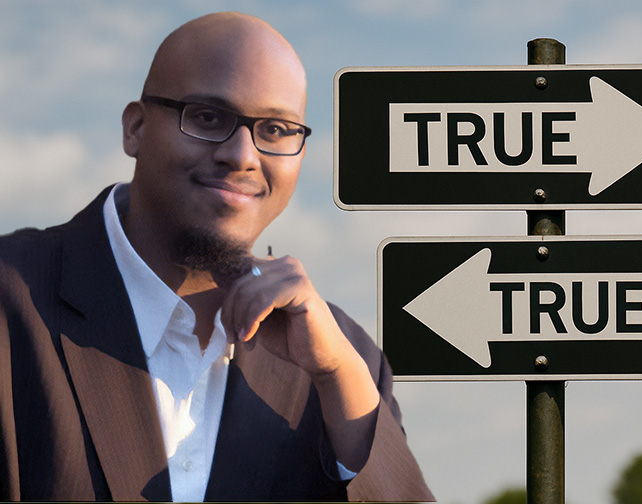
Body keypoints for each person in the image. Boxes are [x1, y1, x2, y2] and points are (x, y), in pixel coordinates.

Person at [0, 12, 433, 502]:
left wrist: (339, 378)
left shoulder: (344, 360)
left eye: (274, 129)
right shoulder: (11, 301)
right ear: (135, 128)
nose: (243, 155)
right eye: (208, 117)